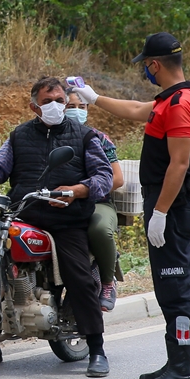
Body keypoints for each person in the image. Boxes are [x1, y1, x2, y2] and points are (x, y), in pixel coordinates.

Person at [69, 32, 190, 379]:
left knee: (175, 291)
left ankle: (182, 373)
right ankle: (176, 362)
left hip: (172, 210)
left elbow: (179, 164)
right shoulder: (172, 99)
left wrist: (159, 213)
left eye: (147, 64)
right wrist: (93, 98)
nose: (146, 70)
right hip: (169, 207)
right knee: (169, 289)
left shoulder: (179, 105)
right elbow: (134, 109)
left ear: (155, 64)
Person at [0, 76, 116, 378]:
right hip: (25, 212)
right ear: (33, 106)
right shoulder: (19, 136)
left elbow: (104, 177)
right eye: (47, 101)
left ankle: (97, 348)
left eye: (59, 100)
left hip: (67, 219)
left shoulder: (84, 135)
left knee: (78, 275)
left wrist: (77, 190)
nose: (55, 106)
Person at [66, 90, 124, 311]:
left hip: (97, 201)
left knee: (99, 230)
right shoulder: (47, 137)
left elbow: (117, 179)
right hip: (57, 201)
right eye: (71, 106)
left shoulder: (98, 138)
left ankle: (108, 281)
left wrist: (83, 191)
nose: (77, 111)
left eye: (82, 107)